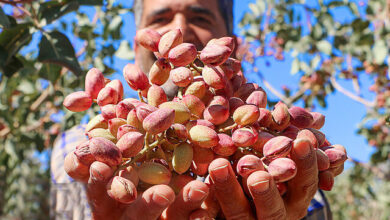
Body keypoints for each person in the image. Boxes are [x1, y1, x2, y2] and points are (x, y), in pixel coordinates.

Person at [51, 0, 339, 219]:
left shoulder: (273, 135)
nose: (180, 30)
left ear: (231, 43)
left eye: (199, 16)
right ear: (138, 39)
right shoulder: (84, 141)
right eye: (160, 18)